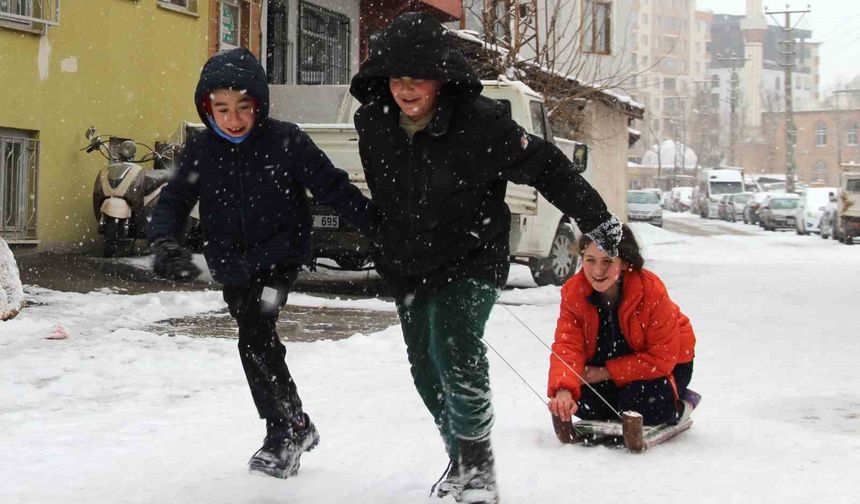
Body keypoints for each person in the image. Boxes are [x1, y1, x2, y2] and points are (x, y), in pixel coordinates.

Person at [349, 12, 622, 504]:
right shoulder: (372, 121)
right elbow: (388, 195)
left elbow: (548, 167)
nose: (406, 90)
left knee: (455, 346)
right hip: (409, 262)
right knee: (424, 367)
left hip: (471, 256)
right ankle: (459, 456)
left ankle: (478, 470)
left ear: (442, 77)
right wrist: (383, 240)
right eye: (397, 78)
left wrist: (596, 219)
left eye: (419, 78)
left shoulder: (482, 123)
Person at [148, 48, 376, 479]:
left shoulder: (286, 141)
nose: (233, 119)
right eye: (222, 109)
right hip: (231, 265)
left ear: (259, 105)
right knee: (255, 337)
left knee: (254, 334)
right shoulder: (201, 150)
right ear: (207, 108)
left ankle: (283, 431)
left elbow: (333, 187)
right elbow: (174, 201)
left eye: (243, 108)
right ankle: (299, 423)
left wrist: (378, 229)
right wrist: (164, 241)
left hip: (278, 260)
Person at [547, 224, 696, 434]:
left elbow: (662, 358)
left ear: (625, 262)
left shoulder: (651, 290)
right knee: (585, 401)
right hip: (612, 363)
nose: (598, 271)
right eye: (590, 261)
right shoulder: (573, 293)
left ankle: (681, 403)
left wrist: (604, 373)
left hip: (667, 366)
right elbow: (567, 345)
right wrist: (563, 389)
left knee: (641, 403)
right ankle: (621, 402)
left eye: (607, 261)